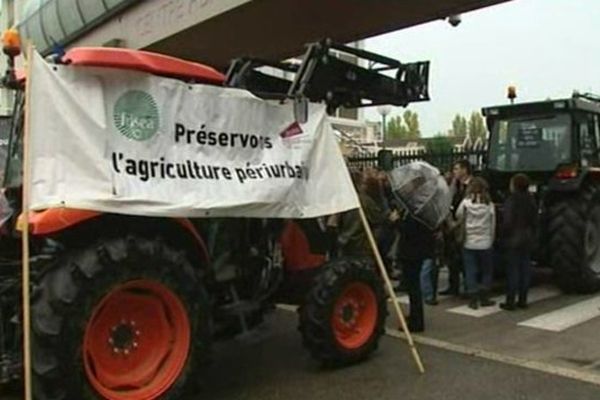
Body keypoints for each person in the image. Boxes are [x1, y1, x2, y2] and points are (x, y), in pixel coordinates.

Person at [456, 177, 496, 310]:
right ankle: (484, 297)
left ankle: (472, 298)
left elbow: (458, 215)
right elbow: (493, 224)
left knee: (470, 270)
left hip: (469, 242)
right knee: (486, 270)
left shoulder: (466, 203)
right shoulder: (489, 205)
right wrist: (491, 240)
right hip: (485, 242)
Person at [500, 174, 538, 310]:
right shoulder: (531, 199)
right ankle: (523, 300)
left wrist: (503, 234)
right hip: (527, 238)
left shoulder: (512, 200)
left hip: (514, 238)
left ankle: (510, 301)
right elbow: (535, 221)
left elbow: (508, 221)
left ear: (514, 185)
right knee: (525, 269)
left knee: (513, 270)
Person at [396, 210, 436, 332]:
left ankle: (416, 321)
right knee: (413, 288)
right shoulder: (424, 214)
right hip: (416, 252)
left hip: (412, 253)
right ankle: (414, 316)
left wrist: (397, 221)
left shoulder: (416, 214)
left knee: (413, 288)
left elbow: (409, 231)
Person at [440, 160, 473, 296]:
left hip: (465, 225)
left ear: (465, 170)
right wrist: (449, 222)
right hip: (452, 226)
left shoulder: (473, 185)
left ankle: (468, 286)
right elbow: (447, 202)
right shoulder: (454, 185)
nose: (454, 172)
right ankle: (453, 286)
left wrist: (457, 222)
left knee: (465, 259)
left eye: (457, 169)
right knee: (452, 258)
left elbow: (469, 207)